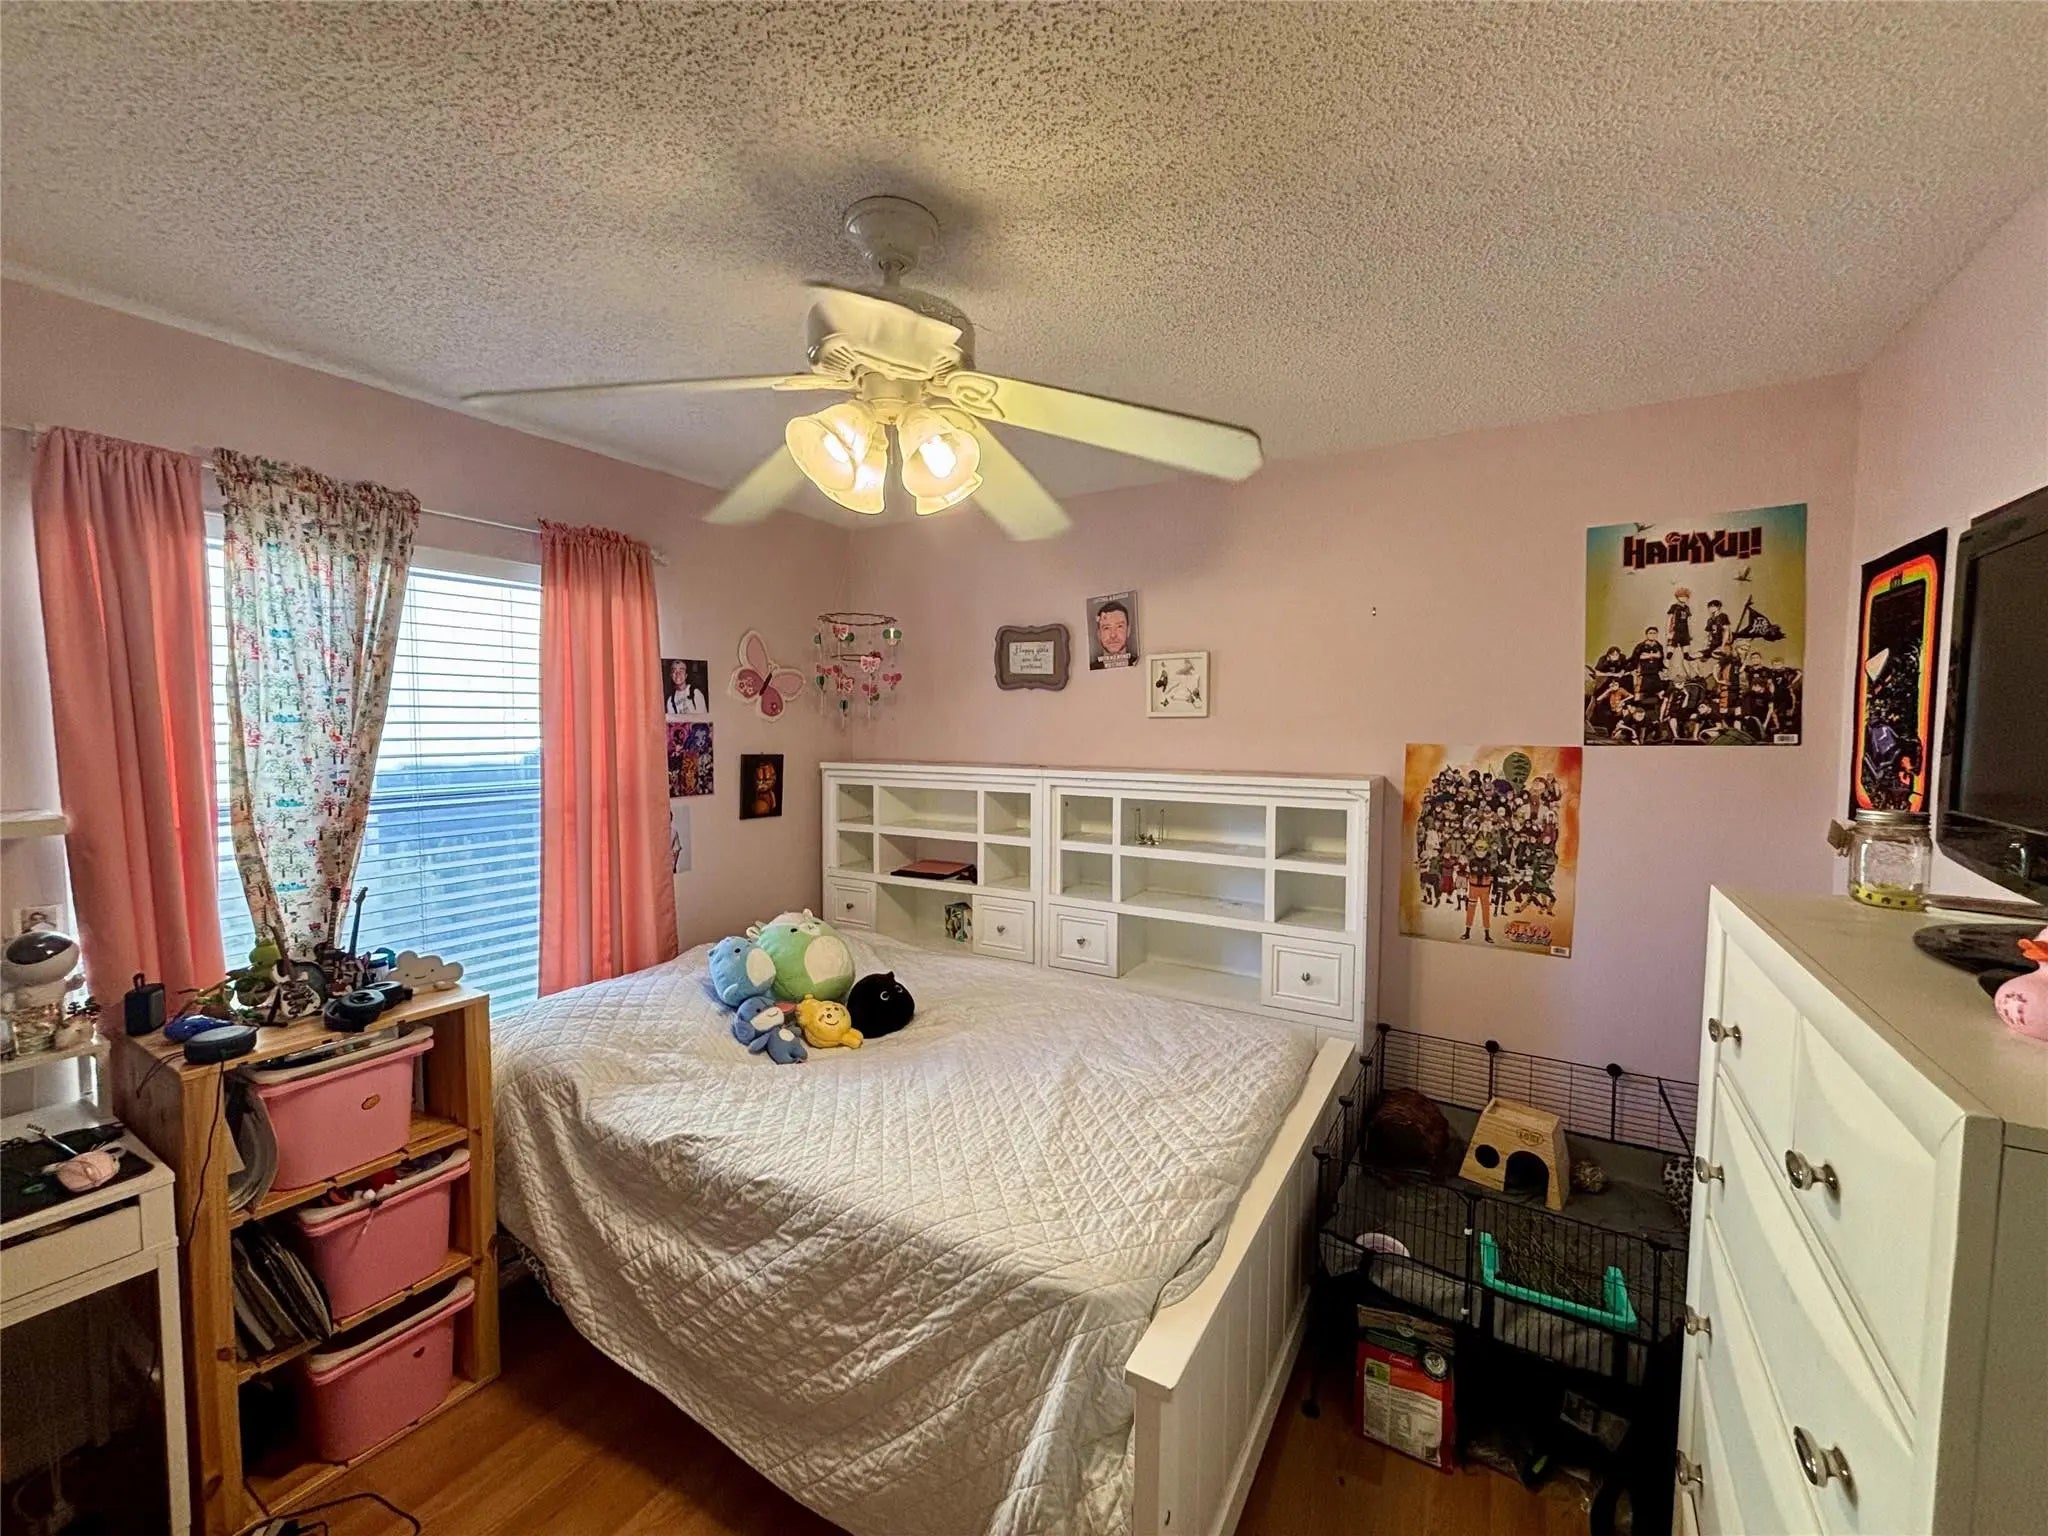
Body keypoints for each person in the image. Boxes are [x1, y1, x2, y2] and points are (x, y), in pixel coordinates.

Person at [1091, 599, 1134, 669]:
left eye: (1119, 626)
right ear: (1099, 634)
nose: (1113, 635)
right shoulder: (1089, 670)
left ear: (1128, 631)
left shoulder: (1141, 664)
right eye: (1106, 628)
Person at [1668, 586, 1693, 653]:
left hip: (1685, 631)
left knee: (1686, 653)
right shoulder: (1674, 607)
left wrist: (1690, 633)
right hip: (1675, 630)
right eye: (1681, 596)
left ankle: (1685, 660)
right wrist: (1668, 632)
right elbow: (1669, 619)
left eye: (1685, 596)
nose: (1683, 598)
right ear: (1677, 597)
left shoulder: (1687, 608)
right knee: (1670, 652)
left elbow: (1689, 621)